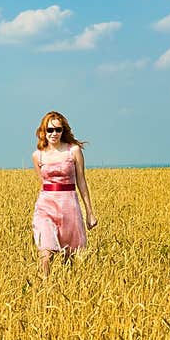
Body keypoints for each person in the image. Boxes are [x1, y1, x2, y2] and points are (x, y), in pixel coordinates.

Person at [31, 110, 97, 277]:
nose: (54, 134)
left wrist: (89, 212)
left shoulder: (73, 151)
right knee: (45, 252)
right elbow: (43, 183)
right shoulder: (37, 155)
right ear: (43, 131)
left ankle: (67, 287)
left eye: (58, 130)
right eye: (50, 130)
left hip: (69, 206)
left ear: (63, 131)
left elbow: (81, 181)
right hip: (45, 206)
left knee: (69, 257)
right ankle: (45, 286)